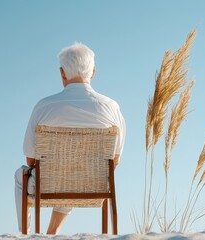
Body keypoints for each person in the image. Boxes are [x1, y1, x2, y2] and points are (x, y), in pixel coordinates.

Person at [14, 42, 126, 234]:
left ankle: (26, 234)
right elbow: (115, 160)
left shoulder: (43, 107)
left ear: (62, 73)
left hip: (46, 185)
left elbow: (30, 159)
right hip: (96, 185)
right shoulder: (111, 107)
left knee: (22, 175)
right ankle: (52, 231)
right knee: (76, 171)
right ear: (93, 72)